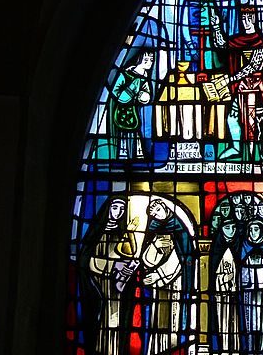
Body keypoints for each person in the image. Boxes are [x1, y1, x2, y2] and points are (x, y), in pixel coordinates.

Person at [212, 5, 263, 170]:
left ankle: (260, 153)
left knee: (257, 123)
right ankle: (236, 148)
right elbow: (221, 45)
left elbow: (253, 67)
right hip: (241, 88)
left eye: (249, 18)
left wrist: (230, 79)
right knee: (233, 119)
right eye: (243, 19)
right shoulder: (238, 40)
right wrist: (217, 26)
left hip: (256, 90)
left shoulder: (260, 42)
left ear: (255, 19)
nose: (246, 22)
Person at [79, 198, 138, 355]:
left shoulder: (122, 234)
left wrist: (126, 266)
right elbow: (86, 261)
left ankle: (114, 350)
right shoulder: (96, 233)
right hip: (98, 283)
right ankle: (99, 349)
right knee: (103, 315)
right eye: (115, 207)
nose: (118, 212)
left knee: (116, 317)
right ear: (108, 209)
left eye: (122, 209)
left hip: (116, 286)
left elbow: (128, 254)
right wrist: (113, 265)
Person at [140, 198, 196, 355]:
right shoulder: (153, 228)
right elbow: (145, 260)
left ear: (164, 207)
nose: (157, 216)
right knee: (156, 318)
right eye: (153, 214)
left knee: (173, 318)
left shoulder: (178, 228)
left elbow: (183, 256)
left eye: (158, 210)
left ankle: (172, 348)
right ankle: (155, 348)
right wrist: (155, 246)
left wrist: (159, 274)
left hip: (175, 282)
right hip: (156, 287)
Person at [107, 49, 154, 159]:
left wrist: (143, 96)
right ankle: (125, 156)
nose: (149, 62)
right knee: (125, 132)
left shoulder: (144, 77)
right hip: (122, 110)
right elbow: (115, 90)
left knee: (134, 130)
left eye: (151, 60)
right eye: (146, 60)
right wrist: (127, 94)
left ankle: (134, 155)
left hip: (134, 110)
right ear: (138, 60)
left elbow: (146, 94)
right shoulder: (126, 74)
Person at [239, 218, 263, 354]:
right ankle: (249, 348)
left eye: (256, 229)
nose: (253, 233)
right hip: (248, 288)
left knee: (261, 320)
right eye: (251, 230)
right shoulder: (244, 245)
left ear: (262, 231)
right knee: (249, 320)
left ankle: (260, 348)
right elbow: (240, 266)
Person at [181, 0, 222, 72]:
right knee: (194, 66)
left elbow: (214, 16)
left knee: (208, 63)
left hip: (208, 36)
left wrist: (216, 25)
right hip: (193, 36)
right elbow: (184, 22)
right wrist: (190, 46)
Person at [209, 212, 240, 353]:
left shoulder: (239, 246)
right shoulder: (216, 248)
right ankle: (223, 348)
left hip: (237, 295)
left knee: (236, 324)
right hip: (220, 296)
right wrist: (223, 279)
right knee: (222, 323)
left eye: (234, 228)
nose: (231, 231)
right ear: (221, 229)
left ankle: (236, 348)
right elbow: (210, 275)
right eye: (228, 228)